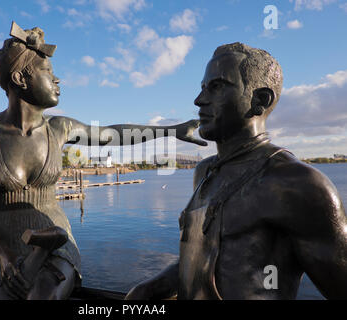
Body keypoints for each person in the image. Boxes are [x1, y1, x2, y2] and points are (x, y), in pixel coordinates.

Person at [0, 22, 206, 300]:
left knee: (45, 297)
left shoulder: (59, 128)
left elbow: (113, 134)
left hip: (55, 241)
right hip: (0, 247)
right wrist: (3, 256)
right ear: (20, 79)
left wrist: (172, 130)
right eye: (48, 72)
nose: (57, 80)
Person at [125, 42, 347, 300]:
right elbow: (208, 261)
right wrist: (150, 289)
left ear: (259, 100)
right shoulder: (205, 172)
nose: (199, 100)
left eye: (217, 87)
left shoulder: (297, 184)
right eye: (202, 88)